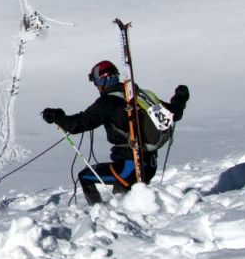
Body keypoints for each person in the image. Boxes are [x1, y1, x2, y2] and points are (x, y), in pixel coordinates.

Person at [42, 60, 190, 205]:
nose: (97, 87)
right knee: (122, 196)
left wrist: (57, 117)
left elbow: (77, 124)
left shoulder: (107, 102)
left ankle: (98, 215)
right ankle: (117, 214)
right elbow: (174, 113)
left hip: (130, 166)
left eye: (96, 83)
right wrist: (179, 98)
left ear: (102, 82)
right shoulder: (140, 96)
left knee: (86, 177)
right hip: (149, 165)